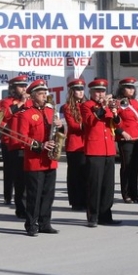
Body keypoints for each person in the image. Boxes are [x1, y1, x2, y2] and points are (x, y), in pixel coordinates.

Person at [16, 80, 61, 236]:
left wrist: (60, 125)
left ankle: (45, 223)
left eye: (45, 93)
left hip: (50, 160)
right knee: (34, 195)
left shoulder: (51, 111)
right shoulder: (26, 113)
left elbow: (58, 133)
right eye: (41, 94)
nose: (44, 96)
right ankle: (31, 224)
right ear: (33, 96)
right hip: (35, 160)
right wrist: (41, 145)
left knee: (48, 194)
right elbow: (21, 138)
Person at [80, 78, 120, 227]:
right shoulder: (86, 106)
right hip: (94, 149)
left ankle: (106, 215)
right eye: (97, 91)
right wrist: (103, 107)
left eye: (102, 91)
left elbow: (116, 123)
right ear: (90, 92)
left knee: (108, 186)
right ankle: (93, 216)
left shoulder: (108, 106)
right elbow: (90, 121)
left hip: (108, 149)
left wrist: (115, 113)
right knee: (94, 184)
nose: (101, 94)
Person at [0, 75, 30, 218]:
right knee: (12, 173)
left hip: (26, 142)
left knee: (26, 176)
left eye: (24, 86)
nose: (24, 89)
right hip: (10, 142)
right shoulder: (5, 102)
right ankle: (9, 196)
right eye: (20, 86)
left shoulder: (30, 102)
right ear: (13, 88)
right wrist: (18, 105)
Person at [114, 78, 138, 203]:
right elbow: (112, 122)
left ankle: (135, 194)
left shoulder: (136, 103)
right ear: (122, 89)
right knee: (127, 167)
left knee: (135, 167)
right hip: (126, 138)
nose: (131, 90)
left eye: (132, 87)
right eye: (128, 87)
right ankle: (126, 194)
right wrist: (122, 132)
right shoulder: (117, 103)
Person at [62, 78, 87, 212]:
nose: (81, 92)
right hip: (75, 144)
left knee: (86, 174)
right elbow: (74, 125)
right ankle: (76, 202)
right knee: (75, 175)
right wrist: (89, 124)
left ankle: (85, 200)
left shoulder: (87, 105)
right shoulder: (68, 107)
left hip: (86, 144)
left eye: (82, 89)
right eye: (77, 89)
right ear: (72, 91)